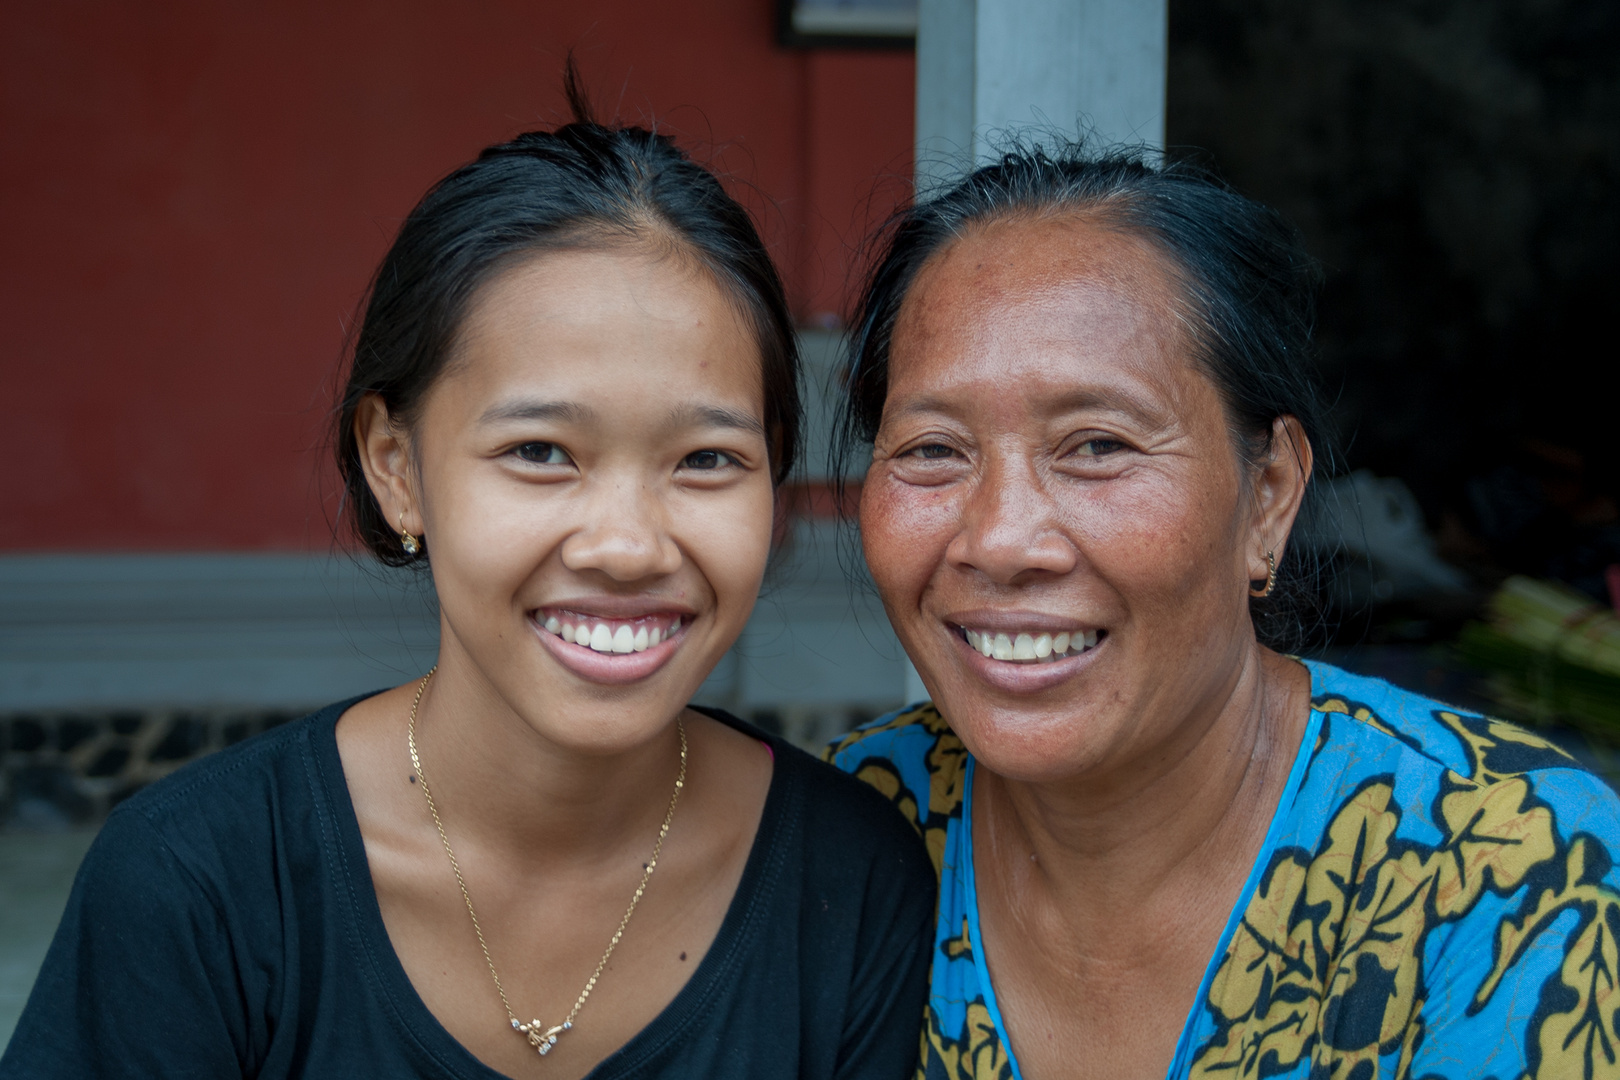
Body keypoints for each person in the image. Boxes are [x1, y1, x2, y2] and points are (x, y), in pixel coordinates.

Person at [1, 78, 934, 1080]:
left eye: (706, 459)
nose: (627, 547)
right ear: (395, 466)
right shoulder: (198, 886)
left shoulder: (851, 880)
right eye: (540, 451)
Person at [825, 142, 1620, 1080]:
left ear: (1271, 494)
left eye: (1097, 445)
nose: (1000, 540)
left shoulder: (1506, 872)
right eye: (933, 449)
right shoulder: (851, 835)